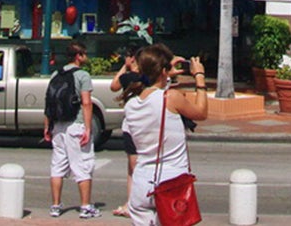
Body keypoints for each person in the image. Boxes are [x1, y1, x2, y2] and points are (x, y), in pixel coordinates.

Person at [121, 44, 207, 226]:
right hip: (171, 183)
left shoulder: (131, 104)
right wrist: (199, 77)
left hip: (142, 182)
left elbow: (152, 90)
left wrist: (165, 69)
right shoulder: (171, 98)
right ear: (162, 72)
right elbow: (201, 112)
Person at [44, 41, 100, 219]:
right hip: (76, 124)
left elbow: (49, 101)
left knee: (58, 166)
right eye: (84, 54)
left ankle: (55, 206)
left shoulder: (56, 74)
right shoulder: (83, 75)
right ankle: (85, 207)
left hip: (58, 125)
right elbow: (86, 103)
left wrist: (47, 126)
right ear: (78, 56)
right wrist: (88, 128)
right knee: (82, 165)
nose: (86, 57)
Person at [108, 46, 147, 217]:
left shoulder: (129, 77)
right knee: (133, 168)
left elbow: (114, 86)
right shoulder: (149, 77)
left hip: (133, 126)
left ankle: (135, 204)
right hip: (145, 125)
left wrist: (125, 66)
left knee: (134, 167)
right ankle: (131, 203)